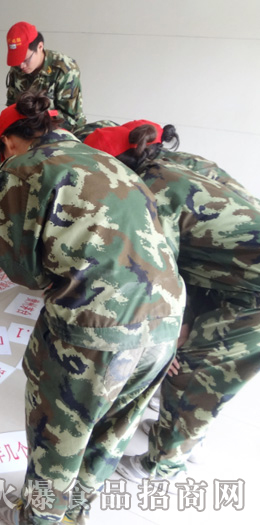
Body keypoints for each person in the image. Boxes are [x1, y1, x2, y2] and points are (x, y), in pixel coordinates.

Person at [0, 92, 185, 524]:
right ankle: (76, 512)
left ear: (10, 141)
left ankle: (39, 518)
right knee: (112, 430)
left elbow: (21, 270)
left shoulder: (23, 169)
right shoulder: (113, 164)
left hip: (99, 327)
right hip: (166, 320)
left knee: (59, 434)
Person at [84, 121, 260, 483]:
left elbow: (159, 274)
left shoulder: (151, 192)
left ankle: (162, 464)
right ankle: (183, 434)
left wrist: (174, 334)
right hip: (233, 276)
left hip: (251, 291)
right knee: (198, 363)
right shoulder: (177, 164)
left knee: (192, 373)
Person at [5, 21, 85, 131]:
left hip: (61, 131)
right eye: (17, 60)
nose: (21, 65)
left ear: (40, 47)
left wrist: (40, 115)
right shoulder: (17, 68)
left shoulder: (65, 70)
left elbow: (71, 118)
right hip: (27, 131)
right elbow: (12, 106)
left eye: (25, 60)